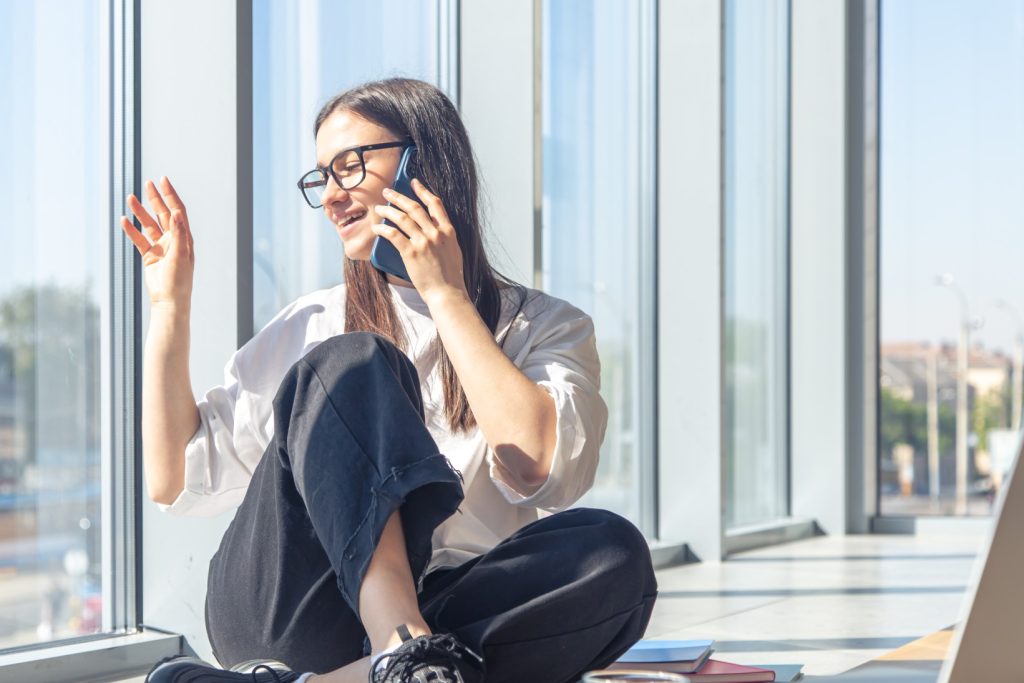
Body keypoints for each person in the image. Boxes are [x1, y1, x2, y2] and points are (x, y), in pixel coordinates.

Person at [120, 77, 657, 683]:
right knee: (355, 361)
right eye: (321, 177)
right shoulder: (315, 324)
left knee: (615, 557)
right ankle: (401, 648)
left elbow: (538, 465)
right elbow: (174, 478)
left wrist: (444, 293)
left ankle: (376, 672)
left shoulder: (546, 326)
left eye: (349, 167)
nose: (330, 196)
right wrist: (169, 308)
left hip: (453, 598)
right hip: (300, 609)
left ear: (423, 163)